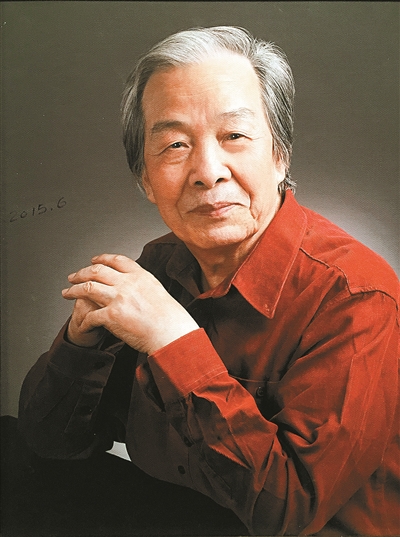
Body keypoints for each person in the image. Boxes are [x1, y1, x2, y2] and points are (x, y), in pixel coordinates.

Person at [18, 26, 399, 536]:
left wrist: (172, 340)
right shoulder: (159, 265)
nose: (207, 171)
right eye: (175, 145)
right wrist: (79, 345)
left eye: (234, 136)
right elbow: (50, 443)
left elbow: (289, 511)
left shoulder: (356, 296)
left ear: (280, 155)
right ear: (145, 179)